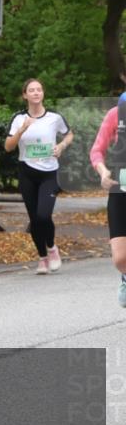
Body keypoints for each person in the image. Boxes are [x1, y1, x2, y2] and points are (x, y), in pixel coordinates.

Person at [4, 78, 74, 274]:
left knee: (44, 215)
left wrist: (61, 146)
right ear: (25, 95)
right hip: (27, 173)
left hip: (49, 174)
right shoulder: (19, 118)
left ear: (43, 94)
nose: (36, 93)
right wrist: (21, 130)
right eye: (31, 90)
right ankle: (42, 258)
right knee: (34, 218)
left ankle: (52, 248)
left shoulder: (54, 118)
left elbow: (69, 134)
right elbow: (8, 147)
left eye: (39, 90)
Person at [89, 91, 126, 307]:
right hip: (120, 191)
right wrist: (103, 172)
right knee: (120, 259)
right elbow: (97, 150)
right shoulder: (115, 114)